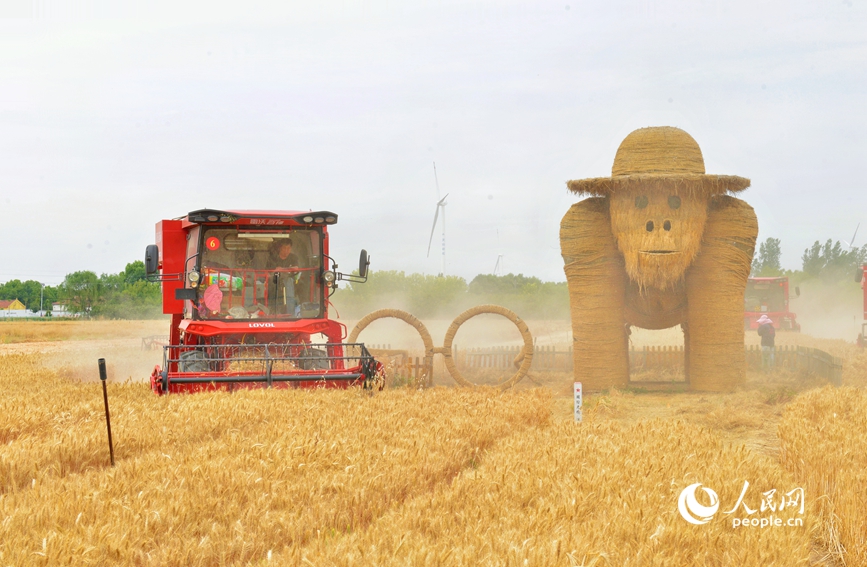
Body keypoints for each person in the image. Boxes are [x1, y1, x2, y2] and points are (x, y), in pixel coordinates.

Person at [268, 239, 300, 315]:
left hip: (290, 284)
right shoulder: (272, 258)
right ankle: (273, 312)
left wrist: (281, 269)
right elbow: (268, 273)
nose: (286, 251)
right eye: (284, 248)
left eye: (288, 248)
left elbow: (296, 268)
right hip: (274, 284)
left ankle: (290, 313)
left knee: (289, 281)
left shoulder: (293, 257)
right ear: (280, 248)